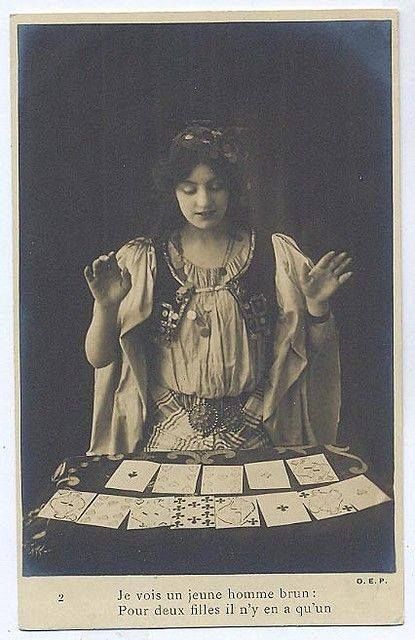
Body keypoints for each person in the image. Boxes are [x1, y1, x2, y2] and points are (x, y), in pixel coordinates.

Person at [84, 123, 352, 455]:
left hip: (255, 434)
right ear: (173, 190)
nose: (204, 201)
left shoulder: (274, 256)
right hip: (166, 437)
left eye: (216, 186)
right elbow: (100, 358)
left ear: (233, 188)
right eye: (189, 188)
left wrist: (315, 307)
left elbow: (309, 354)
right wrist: (106, 307)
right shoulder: (144, 261)